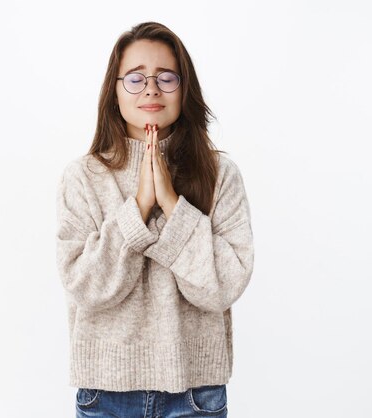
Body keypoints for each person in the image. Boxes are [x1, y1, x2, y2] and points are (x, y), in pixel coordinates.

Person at [55, 21, 254, 418]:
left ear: (185, 88)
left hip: (196, 392)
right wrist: (141, 206)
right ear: (113, 90)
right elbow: (85, 285)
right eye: (135, 78)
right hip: (105, 394)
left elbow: (224, 285)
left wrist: (172, 203)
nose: (151, 89)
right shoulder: (82, 176)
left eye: (166, 77)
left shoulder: (220, 174)